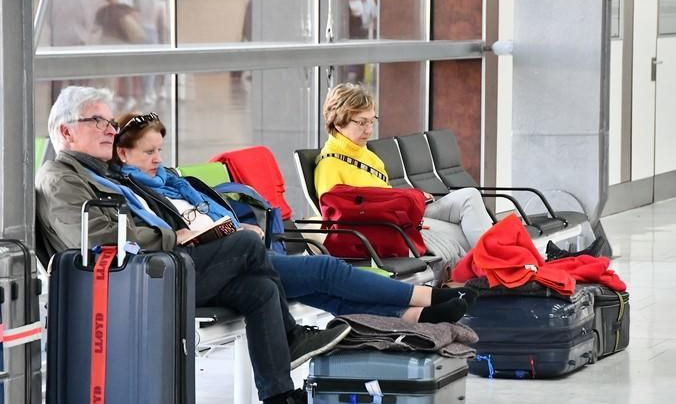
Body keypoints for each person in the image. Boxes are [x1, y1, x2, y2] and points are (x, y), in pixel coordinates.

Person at [35, 86, 350, 404]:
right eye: (98, 121)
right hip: (134, 284)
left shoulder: (103, 173)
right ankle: (291, 338)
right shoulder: (62, 179)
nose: (110, 128)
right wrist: (172, 237)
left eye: (110, 121)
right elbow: (96, 240)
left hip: (159, 270)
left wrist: (194, 230)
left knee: (259, 289)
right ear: (66, 131)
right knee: (246, 244)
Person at [110, 111, 478, 324]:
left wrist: (238, 228)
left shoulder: (174, 181)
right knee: (325, 272)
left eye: (159, 149)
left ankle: (411, 315)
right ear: (123, 155)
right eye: (148, 152)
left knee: (316, 288)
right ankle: (426, 298)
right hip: (209, 268)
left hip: (236, 253)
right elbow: (160, 237)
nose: (158, 158)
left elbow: (210, 214)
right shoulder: (134, 192)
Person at [314, 83, 496, 266]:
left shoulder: (366, 154)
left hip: (402, 215)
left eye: (372, 121)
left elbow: (383, 195)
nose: (369, 130)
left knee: (469, 196)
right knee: (466, 233)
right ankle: (497, 269)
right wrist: (406, 199)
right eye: (361, 122)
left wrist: (410, 199)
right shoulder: (330, 166)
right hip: (391, 227)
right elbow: (339, 217)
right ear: (338, 122)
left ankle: (496, 267)